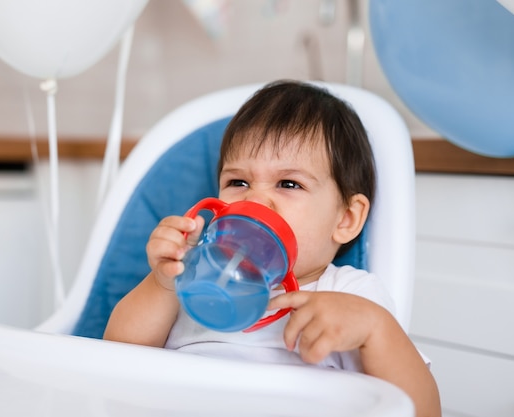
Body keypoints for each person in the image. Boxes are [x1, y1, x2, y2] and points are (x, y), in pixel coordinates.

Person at [104, 80, 441, 417]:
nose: (255, 199)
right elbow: (114, 365)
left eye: (289, 183)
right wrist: (162, 283)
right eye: (238, 182)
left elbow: (420, 410)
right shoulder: (194, 275)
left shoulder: (351, 296)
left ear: (346, 219)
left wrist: (374, 329)